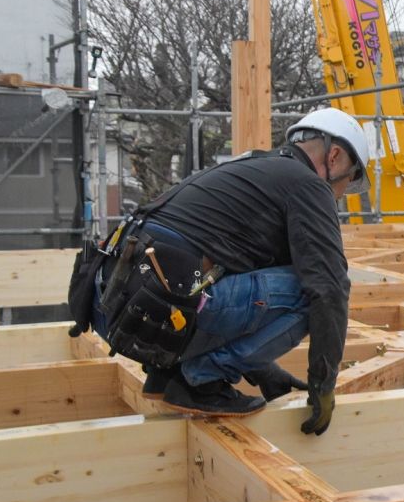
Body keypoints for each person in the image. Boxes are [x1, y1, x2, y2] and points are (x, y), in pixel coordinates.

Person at [76, 107, 369, 435]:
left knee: (238, 279)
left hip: (117, 306)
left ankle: (170, 376)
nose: (339, 196)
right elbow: (329, 288)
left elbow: (227, 272)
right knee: (310, 291)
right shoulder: (309, 186)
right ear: (334, 157)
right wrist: (323, 383)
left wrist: (262, 369)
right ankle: (197, 380)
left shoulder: (254, 168)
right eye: (346, 183)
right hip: (158, 308)